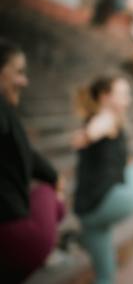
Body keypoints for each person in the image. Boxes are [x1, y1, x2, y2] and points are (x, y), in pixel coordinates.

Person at [0, 37, 65, 283]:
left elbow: (28, 153)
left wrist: (54, 175)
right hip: (15, 237)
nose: (24, 81)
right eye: (18, 72)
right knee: (49, 194)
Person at [72, 74, 133, 284]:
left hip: (88, 211)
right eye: (123, 94)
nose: (128, 99)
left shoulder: (108, 120)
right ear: (105, 97)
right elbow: (94, 130)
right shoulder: (105, 118)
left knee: (106, 275)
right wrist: (86, 136)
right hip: (105, 201)